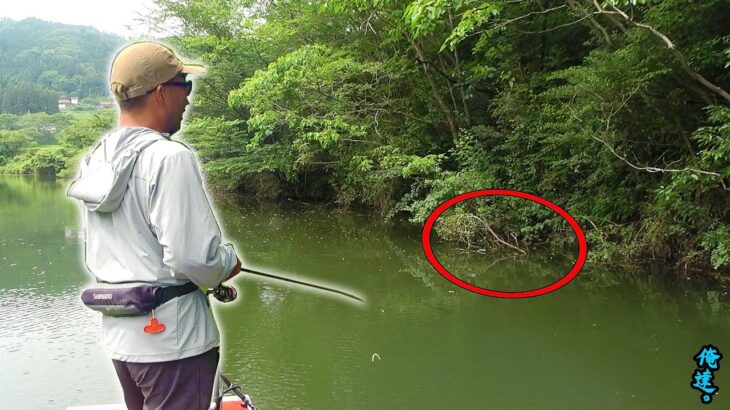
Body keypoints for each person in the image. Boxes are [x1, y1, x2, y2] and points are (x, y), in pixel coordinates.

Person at [66, 41, 242, 410]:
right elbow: (193, 258)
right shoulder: (169, 157)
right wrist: (228, 263)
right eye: (185, 86)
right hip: (174, 343)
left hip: (122, 338)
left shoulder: (96, 160)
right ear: (161, 93)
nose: (189, 99)